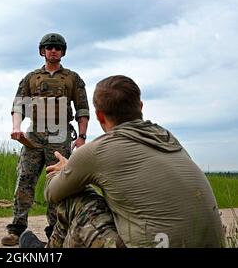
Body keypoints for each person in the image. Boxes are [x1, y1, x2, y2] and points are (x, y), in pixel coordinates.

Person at [21, 75, 225, 248]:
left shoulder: (97, 150)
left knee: (76, 196)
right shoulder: (167, 138)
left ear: (100, 116)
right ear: (141, 106)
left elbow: (52, 194)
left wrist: (63, 171)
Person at [2, 33, 90, 246]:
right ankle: (17, 229)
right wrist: (16, 128)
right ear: (42, 51)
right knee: (25, 179)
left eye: (57, 48)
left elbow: (82, 108)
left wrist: (82, 136)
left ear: (62, 52)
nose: (53, 50)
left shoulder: (72, 78)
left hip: (60, 136)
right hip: (34, 135)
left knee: (58, 182)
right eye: (49, 47)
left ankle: (56, 230)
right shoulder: (31, 78)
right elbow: (18, 106)